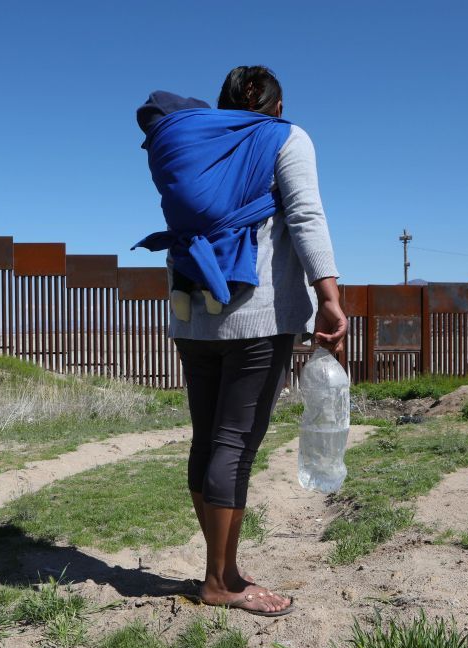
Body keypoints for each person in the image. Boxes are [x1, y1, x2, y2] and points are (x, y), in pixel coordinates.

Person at [134, 65, 347, 616]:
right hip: (256, 315)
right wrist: (329, 296)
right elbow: (305, 214)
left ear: (222, 105)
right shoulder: (284, 136)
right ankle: (221, 581)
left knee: (207, 439)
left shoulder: (195, 142)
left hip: (191, 316)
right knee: (235, 445)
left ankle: (221, 567)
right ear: (276, 107)